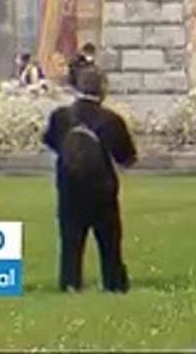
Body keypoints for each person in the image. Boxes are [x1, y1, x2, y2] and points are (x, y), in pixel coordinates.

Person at [42, 68, 137, 293]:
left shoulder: (61, 116)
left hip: (69, 186)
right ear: (102, 89)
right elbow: (126, 158)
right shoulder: (111, 120)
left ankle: (70, 283)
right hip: (101, 187)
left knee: (70, 240)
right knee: (109, 240)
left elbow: (51, 142)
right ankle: (114, 283)